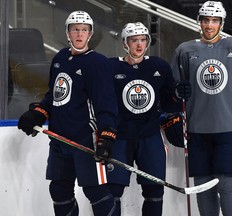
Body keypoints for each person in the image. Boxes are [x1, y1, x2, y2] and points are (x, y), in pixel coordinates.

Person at [17, 11, 118, 216]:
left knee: (95, 192)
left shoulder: (98, 63)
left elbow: (105, 103)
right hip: (59, 139)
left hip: (85, 139)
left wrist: (106, 136)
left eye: (84, 30)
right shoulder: (60, 58)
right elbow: (54, 96)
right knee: (59, 190)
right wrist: (38, 114)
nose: (79, 34)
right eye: (75, 30)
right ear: (67, 33)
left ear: (90, 34)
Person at [171, 1, 232, 216]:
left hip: (229, 127)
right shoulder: (184, 50)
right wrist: (173, 110)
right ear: (199, 22)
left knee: (226, 182)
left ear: (221, 23)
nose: (209, 25)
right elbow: (173, 91)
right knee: (203, 185)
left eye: (214, 20)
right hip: (196, 128)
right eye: (206, 20)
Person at [106, 22, 189, 216]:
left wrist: (178, 95)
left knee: (154, 191)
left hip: (149, 136)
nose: (139, 45)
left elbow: (170, 104)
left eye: (143, 40)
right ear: (125, 43)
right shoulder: (110, 67)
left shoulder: (158, 66)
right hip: (120, 137)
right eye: (134, 40)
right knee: (113, 191)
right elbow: (102, 102)